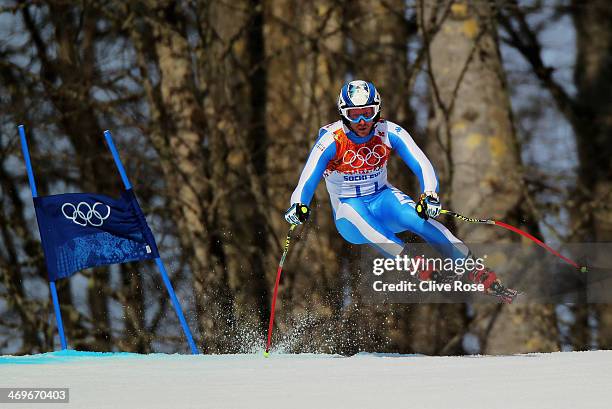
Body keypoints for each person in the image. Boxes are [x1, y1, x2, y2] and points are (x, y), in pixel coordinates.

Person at [284, 80, 517, 303]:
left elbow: (421, 163)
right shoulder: (331, 139)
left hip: (383, 198)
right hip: (349, 209)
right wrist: (298, 205)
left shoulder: (389, 131)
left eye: (368, 111)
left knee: (418, 218)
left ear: (377, 110)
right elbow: (307, 179)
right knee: (367, 224)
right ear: (343, 114)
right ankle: (418, 266)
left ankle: (476, 271)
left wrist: (429, 195)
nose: (363, 120)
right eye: (354, 115)